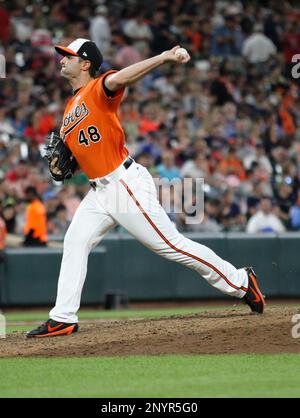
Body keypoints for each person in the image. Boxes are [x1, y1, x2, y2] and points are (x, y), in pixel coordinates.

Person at [27, 38, 265, 338]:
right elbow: (74, 159)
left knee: (172, 246)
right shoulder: (70, 108)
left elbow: (122, 77)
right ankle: (63, 318)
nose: (61, 60)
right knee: (75, 242)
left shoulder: (99, 87)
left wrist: (163, 56)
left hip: (123, 184)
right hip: (98, 191)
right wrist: (65, 165)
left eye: (68, 56)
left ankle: (241, 281)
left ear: (85, 63)